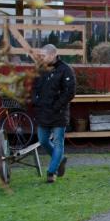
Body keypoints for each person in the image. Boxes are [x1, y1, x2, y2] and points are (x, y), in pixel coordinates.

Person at [31, 43, 76, 184]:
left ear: (53, 55)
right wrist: (35, 100)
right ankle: (60, 159)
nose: (41, 58)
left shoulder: (66, 70)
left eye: (44, 55)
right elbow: (34, 87)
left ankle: (51, 172)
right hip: (43, 112)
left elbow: (70, 92)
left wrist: (56, 106)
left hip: (59, 113)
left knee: (58, 142)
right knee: (43, 140)